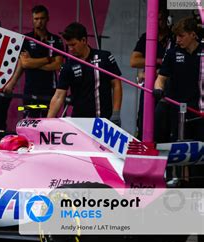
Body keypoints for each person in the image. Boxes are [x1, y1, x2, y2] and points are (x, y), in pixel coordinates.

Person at [47, 22, 122, 123]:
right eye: (68, 45)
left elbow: (116, 84)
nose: (70, 49)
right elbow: (59, 96)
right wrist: (47, 122)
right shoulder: (68, 66)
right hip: (80, 122)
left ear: (84, 40)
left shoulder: (105, 57)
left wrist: (116, 113)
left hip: (106, 121)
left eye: (73, 44)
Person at [4, 5, 64, 111]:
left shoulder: (56, 40)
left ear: (47, 19)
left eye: (42, 18)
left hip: (50, 90)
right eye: (36, 19)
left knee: (48, 123)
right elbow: (24, 64)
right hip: (30, 90)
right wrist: (49, 59)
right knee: (29, 121)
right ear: (32, 20)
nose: (39, 21)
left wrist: (33, 63)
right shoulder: (25, 39)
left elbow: (58, 64)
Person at [154, 17, 203, 142]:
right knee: (179, 143)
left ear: (193, 34)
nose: (178, 40)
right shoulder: (172, 53)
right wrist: (158, 89)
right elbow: (161, 78)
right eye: (176, 36)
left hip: (200, 109)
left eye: (181, 36)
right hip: (178, 108)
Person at [130, 3, 174, 139]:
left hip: (169, 87)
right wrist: (157, 62)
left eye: (161, 19)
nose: (158, 23)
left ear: (167, 19)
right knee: (144, 120)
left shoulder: (174, 37)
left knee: (165, 123)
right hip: (149, 86)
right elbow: (134, 61)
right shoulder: (147, 37)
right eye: (156, 19)